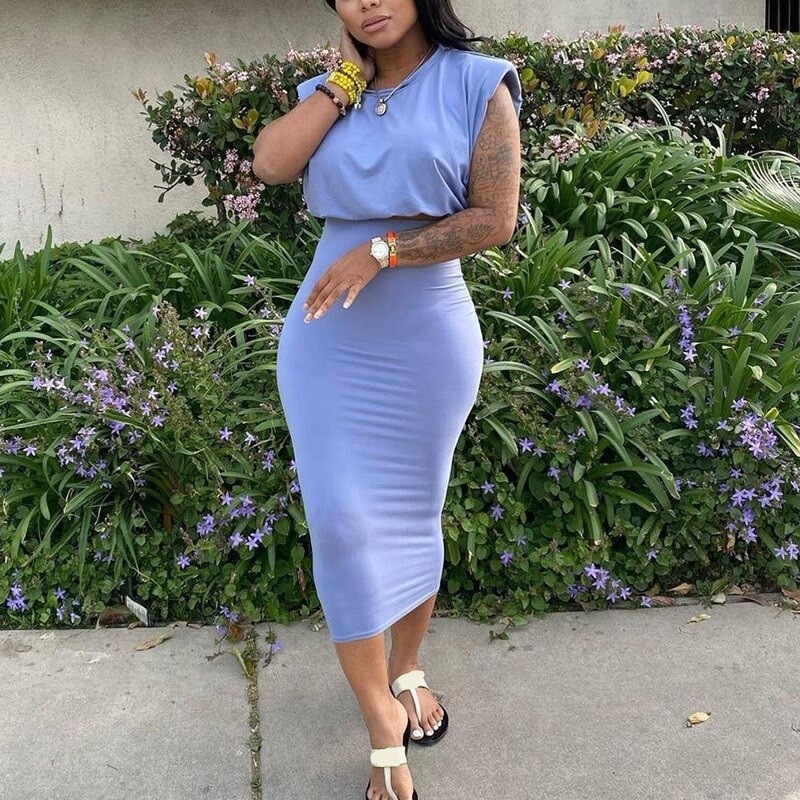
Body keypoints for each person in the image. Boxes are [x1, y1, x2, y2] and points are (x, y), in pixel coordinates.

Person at [252, 1, 521, 798]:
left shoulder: (477, 83)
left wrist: (384, 249)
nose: (368, 1)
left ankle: (406, 668)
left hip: (426, 337)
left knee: (410, 515)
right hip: (328, 336)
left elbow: (494, 219)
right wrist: (343, 82)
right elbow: (270, 164)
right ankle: (380, 719)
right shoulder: (331, 92)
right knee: (340, 521)